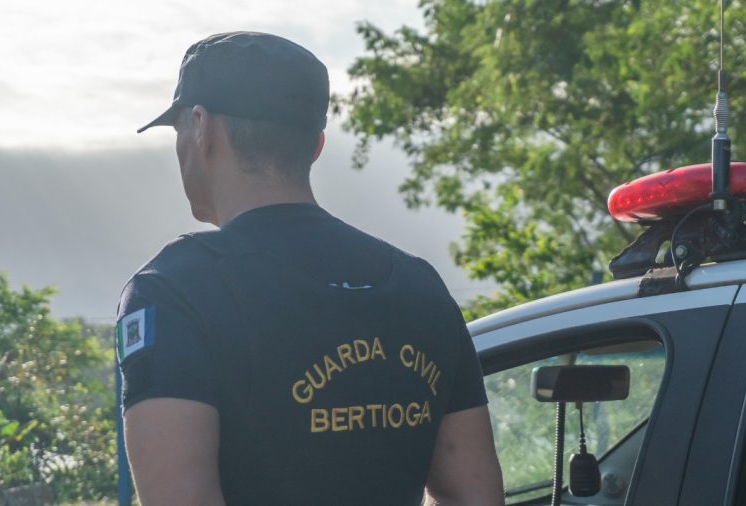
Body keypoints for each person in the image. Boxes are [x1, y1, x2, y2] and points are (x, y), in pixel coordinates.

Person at [117, 31, 504, 506]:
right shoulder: (418, 286)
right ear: (316, 144)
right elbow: (476, 496)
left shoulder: (172, 292)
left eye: (178, 129)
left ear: (201, 127)